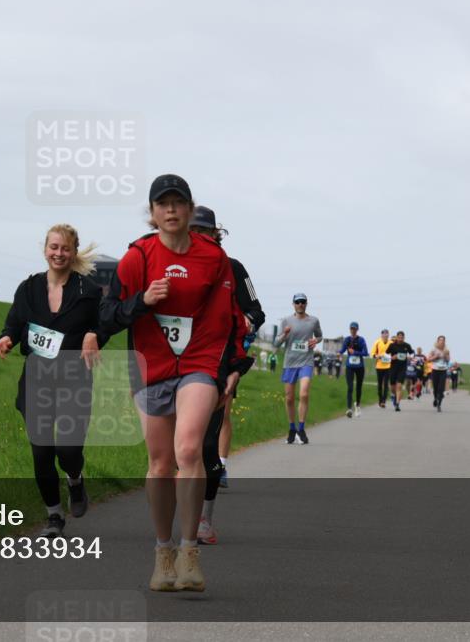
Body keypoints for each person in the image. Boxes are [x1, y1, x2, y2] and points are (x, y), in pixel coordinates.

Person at [100, 174, 250, 592]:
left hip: (199, 363)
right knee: (161, 463)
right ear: (151, 214)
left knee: (189, 448)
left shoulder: (214, 259)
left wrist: (233, 367)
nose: (170, 210)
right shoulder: (137, 258)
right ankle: (162, 551)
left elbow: (231, 319)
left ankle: (189, 551)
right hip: (151, 366)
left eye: (177, 203)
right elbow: (108, 315)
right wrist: (142, 301)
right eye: (162, 203)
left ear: (189, 209)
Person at [0, 225, 106, 538]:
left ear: (73, 252)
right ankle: (54, 515)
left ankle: (76, 480)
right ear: (45, 249)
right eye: (54, 247)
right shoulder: (28, 288)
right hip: (38, 378)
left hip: (74, 379)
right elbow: (13, 322)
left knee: (68, 450)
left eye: (65, 248)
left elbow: (103, 322)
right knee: (41, 450)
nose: (59, 253)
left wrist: (95, 335)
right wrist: (6, 339)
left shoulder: (88, 291)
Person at [188, 206, 265, 544]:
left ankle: (205, 517)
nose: (198, 238)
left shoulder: (232, 268)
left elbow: (255, 311)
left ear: (214, 234)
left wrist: (236, 325)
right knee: (179, 446)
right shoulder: (172, 267)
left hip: (219, 362)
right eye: (193, 232)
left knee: (206, 443)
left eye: (204, 233)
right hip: (176, 366)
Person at [274, 293, 322, 444]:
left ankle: (301, 428)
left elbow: (320, 336)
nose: (300, 304)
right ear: (293, 304)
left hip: (306, 362)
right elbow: (276, 343)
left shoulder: (313, 320)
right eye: (297, 302)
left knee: (304, 393)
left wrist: (315, 340)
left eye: (303, 302)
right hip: (290, 363)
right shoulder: (287, 321)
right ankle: (292, 428)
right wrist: (284, 335)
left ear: (307, 303)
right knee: (289, 398)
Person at [339, 321, 368, 417]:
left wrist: (355, 352)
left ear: (357, 329)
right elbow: (342, 350)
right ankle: (349, 409)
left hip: (360, 367)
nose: (353, 330)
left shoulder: (361, 340)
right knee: (350, 387)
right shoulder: (347, 340)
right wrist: (338, 353)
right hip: (350, 367)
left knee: (358, 387)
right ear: (350, 329)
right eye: (351, 329)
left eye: (354, 329)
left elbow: (365, 353)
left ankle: (358, 405)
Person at [386, 331, 414, 412]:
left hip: (402, 368)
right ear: (397, 337)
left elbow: (412, 353)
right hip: (393, 368)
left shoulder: (407, 345)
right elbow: (386, 354)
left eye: (402, 337)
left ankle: (397, 404)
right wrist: (391, 357)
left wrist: (410, 357)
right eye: (399, 337)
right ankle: (394, 396)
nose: (400, 338)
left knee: (399, 386)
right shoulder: (392, 345)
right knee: (392, 387)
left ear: (404, 338)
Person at [427, 336, 451, 412]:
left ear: (444, 342)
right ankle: (435, 398)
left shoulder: (446, 350)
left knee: (441, 388)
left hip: (443, 370)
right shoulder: (433, 350)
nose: (441, 342)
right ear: (437, 341)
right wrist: (435, 357)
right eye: (440, 340)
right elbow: (428, 359)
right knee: (436, 388)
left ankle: (439, 404)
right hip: (435, 370)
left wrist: (445, 356)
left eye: (443, 340)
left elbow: (448, 360)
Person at [370, 329, 392, 408]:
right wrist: (377, 356)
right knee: (380, 384)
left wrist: (392, 357)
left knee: (386, 384)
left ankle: (384, 401)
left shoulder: (391, 343)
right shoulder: (377, 342)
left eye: (387, 334)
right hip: (379, 366)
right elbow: (372, 354)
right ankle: (380, 399)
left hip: (388, 366)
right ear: (381, 335)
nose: (386, 335)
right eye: (384, 334)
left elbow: (394, 353)